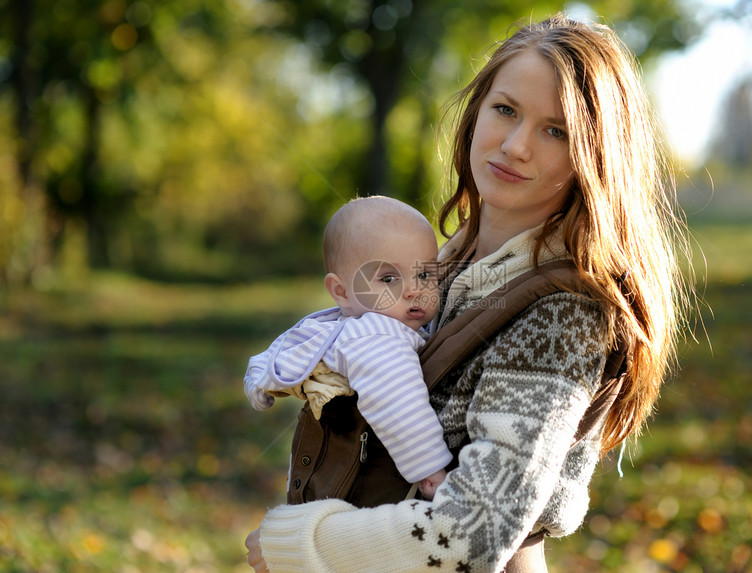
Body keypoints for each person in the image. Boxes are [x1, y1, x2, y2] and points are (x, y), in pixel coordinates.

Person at [246, 13, 691, 573]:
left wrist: (303, 544)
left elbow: (471, 536)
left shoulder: (565, 312)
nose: (515, 145)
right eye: (505, 110)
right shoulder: (442, 266)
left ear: (595, 156)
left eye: (556, 130)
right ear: (477, 111)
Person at [243, 196, 452, 500]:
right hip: (347, 488)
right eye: (388, 278)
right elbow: (397, 400)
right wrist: (430, 470)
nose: (413, 290)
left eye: (424, 274)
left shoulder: (364, 325)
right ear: (341, 291)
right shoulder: (377, 337)